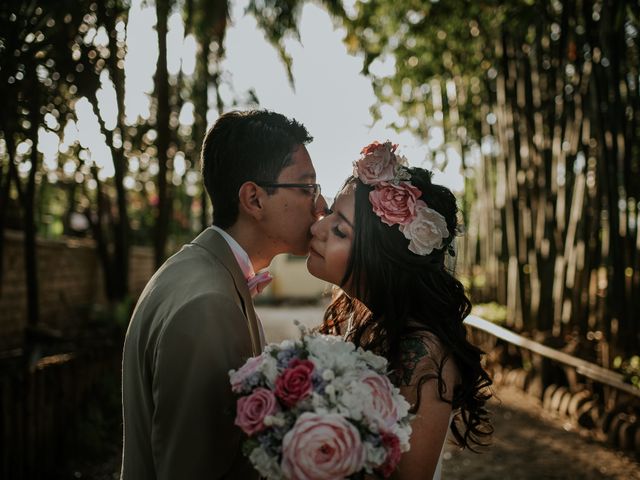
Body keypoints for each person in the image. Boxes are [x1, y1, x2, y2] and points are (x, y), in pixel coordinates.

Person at [121, 110, 327, 479]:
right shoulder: (208, 304)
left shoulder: (196, 270)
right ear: (254, 199)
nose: (320, 205)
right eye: (307, 187)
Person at [307, 141, 493, 479]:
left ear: (380, 257)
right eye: (330, 213)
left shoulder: (422, 353)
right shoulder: (360, 317)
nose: (317, 228)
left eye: (339, 230)